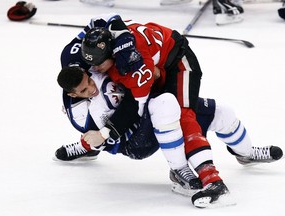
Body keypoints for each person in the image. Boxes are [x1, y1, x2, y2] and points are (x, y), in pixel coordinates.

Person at [55, 66, 283, 206]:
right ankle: (178, 170)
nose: (91, 89)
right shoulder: (80, 113)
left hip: (147, 107)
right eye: (84, 91)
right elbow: (114, 140)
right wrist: (98, 139)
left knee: (222, 111)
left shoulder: (96, 68)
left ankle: (246, 153)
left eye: (89, 83)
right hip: (134, 141)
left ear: (87, 73)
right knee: (165, 104)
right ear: (72, 94)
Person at [79, 14, 230, 208]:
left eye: (99, 63)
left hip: (179, 64)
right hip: (159, 63)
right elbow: (109, 20)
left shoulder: (134, 66)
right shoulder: (114, 34)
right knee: (168, 111)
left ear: (112, 54)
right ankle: (181, 169)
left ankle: (214, 182)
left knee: (184, 116)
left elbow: (134, 107)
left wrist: (104, 133)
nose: (95, 68)